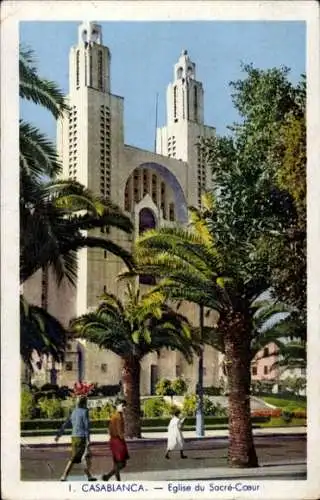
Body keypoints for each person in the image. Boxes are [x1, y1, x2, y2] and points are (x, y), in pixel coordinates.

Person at [54, 395, 96, 481]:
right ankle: (64, 476)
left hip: (74, 437)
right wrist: (88, 440)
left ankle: (89, 476)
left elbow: (66, 424)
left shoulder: (74, 411)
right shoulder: (85, 411)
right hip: (81, 437)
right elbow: (87, 426)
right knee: (75, 458)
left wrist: (58, 435)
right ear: (85, 403)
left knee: (81, 457)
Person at [102, 402, 129, 481]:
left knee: (117, 463)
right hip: (118, 441)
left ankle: (116, 480)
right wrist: (122, 436)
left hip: (113, 441)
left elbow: (109, 429)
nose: (125, 408)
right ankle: (108, 476)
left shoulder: (114, 416)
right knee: (122, 463)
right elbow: (120, 431)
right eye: (123, 406)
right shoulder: (119, 417)